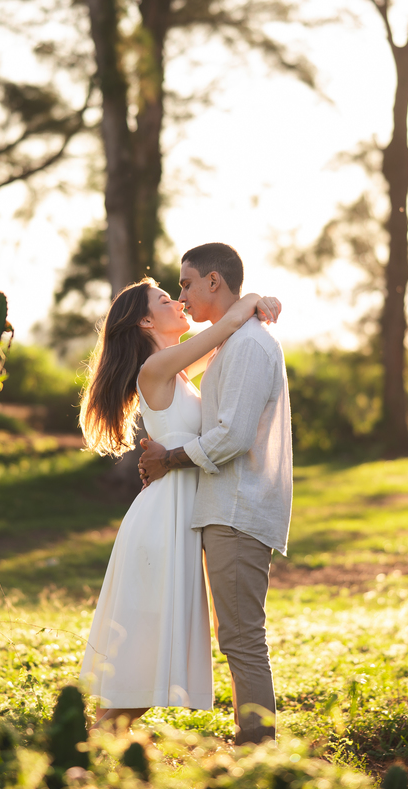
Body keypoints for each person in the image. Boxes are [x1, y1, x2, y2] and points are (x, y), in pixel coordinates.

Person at [77, 275, 281, 732]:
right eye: (168, 299)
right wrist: (252, 298)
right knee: (149, 648)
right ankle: (89, 744)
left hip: (179, 514)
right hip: (164, 521)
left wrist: (254, 304)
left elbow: (228, 336)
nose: (181, 303)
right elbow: (227, 323)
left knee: (154, 647)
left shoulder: (177, 370)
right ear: (147, 319)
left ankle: (90, 744)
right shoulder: (157, 369)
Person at [138, 242, 292, 745]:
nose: (181, 295)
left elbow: (233, 436)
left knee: (243, 638)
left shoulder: (247, 346)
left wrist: (170, 458)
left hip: (237, 507)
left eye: (184, 283)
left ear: (213, 282)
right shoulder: (231, 343)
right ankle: (254, 743)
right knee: (239, 636)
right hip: (224, 506)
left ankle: (257, 749)